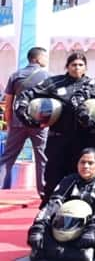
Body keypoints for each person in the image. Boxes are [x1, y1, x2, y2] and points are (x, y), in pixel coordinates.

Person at [14, 51, 92, 200]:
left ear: (85, 68)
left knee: (80, 178)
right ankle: (47, 212)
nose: (77, 68)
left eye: (81, 65)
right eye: (73, 64)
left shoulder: (92, 86)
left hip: (83, 141)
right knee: (53, 177)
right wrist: (25, 115)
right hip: (58, 139)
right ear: (67, 66)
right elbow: (28, 95)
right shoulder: (54, 83)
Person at [27, 148, 95, 261]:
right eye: (82, 162)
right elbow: (54, 203)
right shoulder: (69, 180)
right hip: (65, 225)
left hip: (91, 227)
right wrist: (39, 225)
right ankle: (71, 253)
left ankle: (51, 251)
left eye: (90, 163)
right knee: (35, 234)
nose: (86, 166)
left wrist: (92, 228)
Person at [0, 46, 48, 194]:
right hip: (39, 122)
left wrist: (8, 123)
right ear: (37, 58)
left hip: (17, 121)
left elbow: (8, 103)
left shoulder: (16, 75)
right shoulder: (47, 76)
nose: (46, 59)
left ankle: (2, 188)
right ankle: (43, 191)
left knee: (8, 157)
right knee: (42, 157)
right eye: (44, 57)